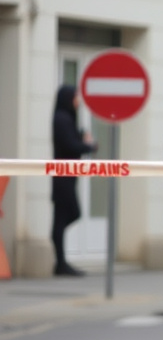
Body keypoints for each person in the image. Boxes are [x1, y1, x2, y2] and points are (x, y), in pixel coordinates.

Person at [50, 85, 96, 277]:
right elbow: (69, 145)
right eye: (75, 97)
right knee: (70, 213)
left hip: (67, 175)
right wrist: (88, 145)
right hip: (63, 176)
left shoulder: (66, 118)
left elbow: (71, 141)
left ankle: (60, 261)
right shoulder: (62, 119)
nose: (78, 101)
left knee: (63, 216)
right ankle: (60, 259)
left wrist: (83, 141)